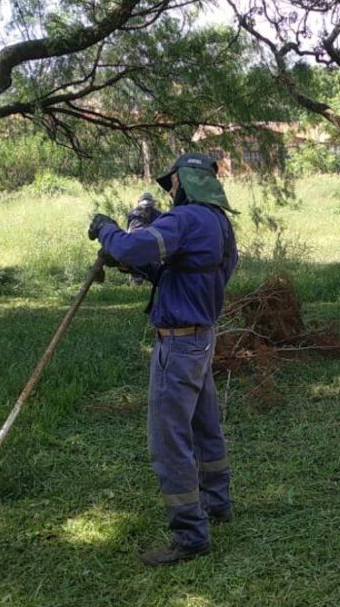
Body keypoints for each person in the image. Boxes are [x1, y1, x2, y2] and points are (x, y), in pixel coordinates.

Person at [88, 153, 238, 566]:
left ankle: (190, 534)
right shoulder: (220, 223)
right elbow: (191, 273)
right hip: (203, 339)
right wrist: (149, 267)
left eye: (171, 185)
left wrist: (106, 228)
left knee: (169, 442)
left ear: (185, 182)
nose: (169, 193)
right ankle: (217, 503)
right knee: (205, 427)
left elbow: (133, 246)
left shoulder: (186, 219)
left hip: (177, 346)